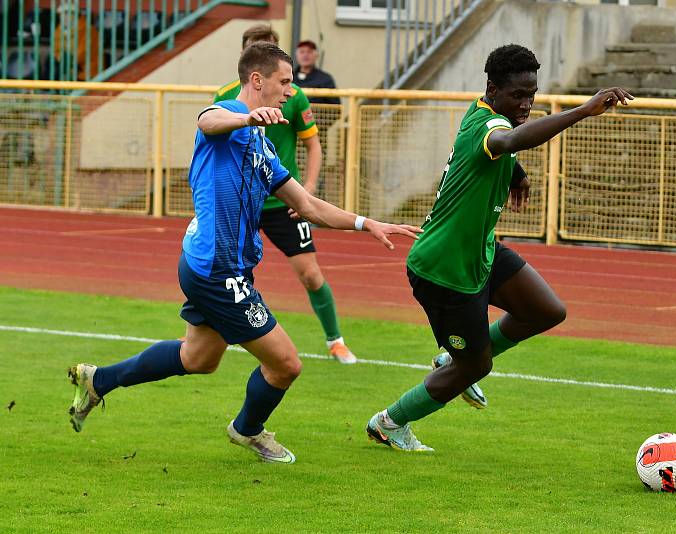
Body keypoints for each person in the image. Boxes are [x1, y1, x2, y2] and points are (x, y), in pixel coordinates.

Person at [68, 42, 421, 464]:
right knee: (286, 364)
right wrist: (246, 116)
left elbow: (307, 206)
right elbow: (208, 119)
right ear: (258, 80)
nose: (291, 91)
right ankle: (247, 430)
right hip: (218, 269)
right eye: (285, 82)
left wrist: (368, 223)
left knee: (197, 358)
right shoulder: (228, 120)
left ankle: (98, 380)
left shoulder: (261, 144)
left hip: (208, 262)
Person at [365, 44, 633, 452]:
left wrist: (517, 176)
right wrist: (581, 111)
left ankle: (450, 361)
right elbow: (506, 141)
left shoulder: (487, 114)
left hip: (480, 252)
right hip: (444, 269)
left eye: (532, 94)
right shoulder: (488, 126)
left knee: (545, 311)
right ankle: (389, 422)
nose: (526, 104)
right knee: (477, 365)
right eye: (518, 96)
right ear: (492, 88)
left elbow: (500, 149)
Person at [215, 25, 356, 363]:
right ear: (247, 59)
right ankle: (200, 336)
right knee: (218, 269)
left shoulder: (293, 96)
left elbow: (313, 144)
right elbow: (211, 135)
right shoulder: (225, 97)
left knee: (310, 273)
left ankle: (335, 340)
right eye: (258, 47)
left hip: (283, 200)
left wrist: (306, 189)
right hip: (241, 203)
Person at [292, 40, 340, 105]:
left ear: (316, 55)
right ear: (296, 55)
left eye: (309, 52)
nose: (305, 55)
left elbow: (335, 106)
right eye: (302, 52)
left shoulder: (325, 79)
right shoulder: (289, 77)